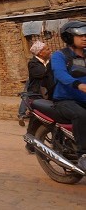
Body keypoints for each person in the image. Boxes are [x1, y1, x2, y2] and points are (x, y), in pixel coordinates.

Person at [50, 20, 86, 172]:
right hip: (65, 100)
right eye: (80, 35)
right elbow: (60, 74)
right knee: (81, 115)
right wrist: (79, 85)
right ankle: (83, 155)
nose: (84, 38)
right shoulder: (59, 56)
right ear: (69, 37)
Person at [18, 40, 52, 126]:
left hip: (48, 93)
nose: (50, 51)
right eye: (47, 49)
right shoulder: (33, 63)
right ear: (40, 53)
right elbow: (42, 73)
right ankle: (22, 115)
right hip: (37, 94)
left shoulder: (49, 61)